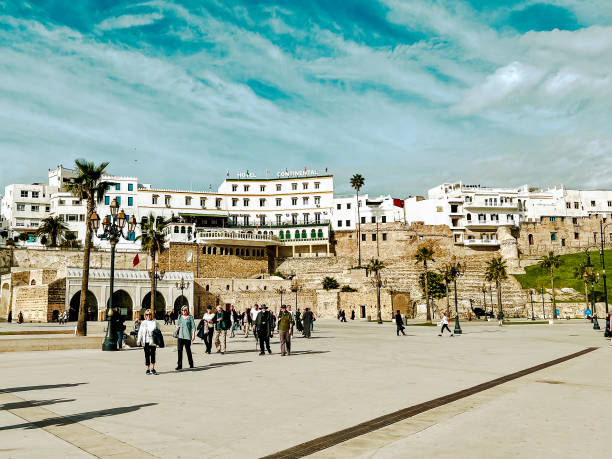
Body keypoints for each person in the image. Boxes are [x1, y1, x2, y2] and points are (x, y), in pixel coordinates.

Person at [137, 309, 160, 375]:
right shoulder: (143, 323)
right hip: (145, 341)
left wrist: (155, 332)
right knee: (147, 355)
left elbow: (159, 329)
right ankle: (148, 369)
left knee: (153, 354)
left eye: (150, 314)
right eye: (147, 314)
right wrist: (138, 340)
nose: (148, 316)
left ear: (152, 315)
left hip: (152, 341)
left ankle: (153, 368)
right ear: (145, 315)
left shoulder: (154, 322)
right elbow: (140, 332)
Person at [175, 306, 195, 370]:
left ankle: (191, 363)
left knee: (188, 350)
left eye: (185, 310)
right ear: (181, 311)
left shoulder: (190, 317)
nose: (184, 311)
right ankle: (179, 365)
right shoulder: (180, 317)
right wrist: (177, 327)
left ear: (187, 310)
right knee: (179, 351)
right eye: (183, 310)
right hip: (180, 336)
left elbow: (193, 327)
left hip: (187, 336)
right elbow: (177, 324)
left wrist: (193, 335)